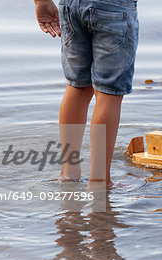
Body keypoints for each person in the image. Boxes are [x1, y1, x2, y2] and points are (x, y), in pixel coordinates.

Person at [34, 0, 139, 188]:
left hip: (71, 6)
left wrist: (40, 1)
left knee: (77, 87)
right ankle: (100, 181)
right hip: (113, 8)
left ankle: (68, 173)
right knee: (109, 92)